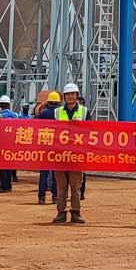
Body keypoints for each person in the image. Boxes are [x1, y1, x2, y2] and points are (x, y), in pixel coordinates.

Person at [52, 82, 88, 225]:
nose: (70, 97)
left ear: (76, 96)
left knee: (75, 187)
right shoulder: (57, 112)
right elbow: (50, 131)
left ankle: (76, 213)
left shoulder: (84, 112)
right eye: (68, 94)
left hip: (76, 156)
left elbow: (91, 132)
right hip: (60, 156)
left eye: (73, 94)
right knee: (61, 187)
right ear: (64, 97)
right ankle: (61, 213)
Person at [35, 91, 60, 204]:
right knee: (55, 173)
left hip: (44, 145)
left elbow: (36, 116)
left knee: (43, 173)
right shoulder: (59, 113)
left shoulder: (43, 113)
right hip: (57, 146)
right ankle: (55, 196)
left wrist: (43, 104)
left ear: (48, 102)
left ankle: (41, 197)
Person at [0, 94, 22, 193]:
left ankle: (4, 186)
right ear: (9, 105)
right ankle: (9, 185)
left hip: (1, 144)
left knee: (2, 166)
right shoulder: (15, 116)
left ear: (0, 105)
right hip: (12, 144)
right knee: (9, 165)